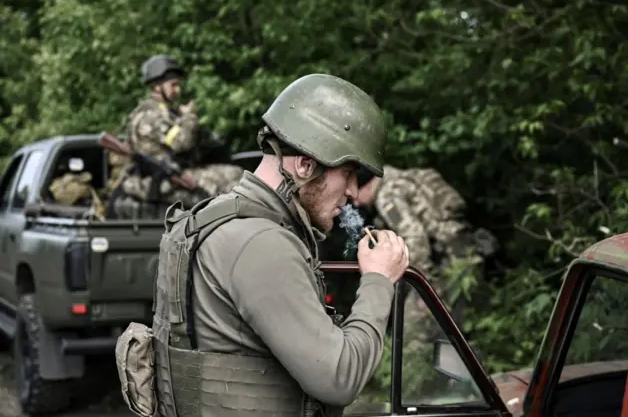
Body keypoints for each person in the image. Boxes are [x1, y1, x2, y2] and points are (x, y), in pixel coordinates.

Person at [115, 73, 410, 417]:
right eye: (348, 173)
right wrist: (378, 280)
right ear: (304, 165)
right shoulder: (262, 244)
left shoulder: (207, 219)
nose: (353, 192)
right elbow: (339, 378)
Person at [353, 165, 498, 326]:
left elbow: (414, 237)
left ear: (367, 185)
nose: (356, 203)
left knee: (414, 332)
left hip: (447, 263)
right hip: (465, 252)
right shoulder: (406, 179)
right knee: (468, 323)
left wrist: (424, 285)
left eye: (356, 195)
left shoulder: (387, 196)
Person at [112, 54, 242, 218]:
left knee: (236, 174)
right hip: (159, 182)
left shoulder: (166, 112)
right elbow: (182, 142)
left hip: (172, 177)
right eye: (173, 85)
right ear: (157, 87)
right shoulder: (151, 115)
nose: (178, 90)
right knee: (233, 182)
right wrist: (189, 117)